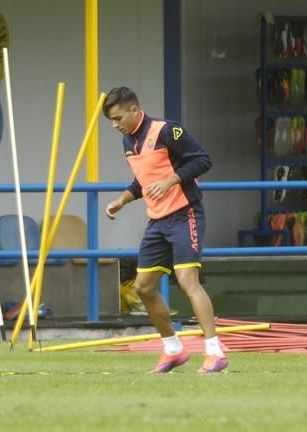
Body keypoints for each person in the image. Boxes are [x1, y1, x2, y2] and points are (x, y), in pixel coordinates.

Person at [103, 86, 228, 373]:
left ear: (135, 110)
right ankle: (173, 350)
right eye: (111, 120)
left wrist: (171, 181)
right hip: (157, 221)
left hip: (186, 215)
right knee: (143, 287)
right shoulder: (127, 141)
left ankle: (214, 352)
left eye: (118, 117)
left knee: (187, 281)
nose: (115, 125)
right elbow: (143, 181)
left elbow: (202, 160)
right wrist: (122, 201)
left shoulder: (166, 131)